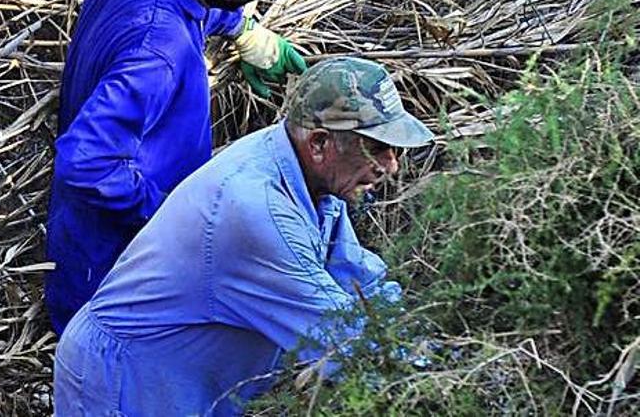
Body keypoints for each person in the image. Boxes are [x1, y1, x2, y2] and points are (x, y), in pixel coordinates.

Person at [53, 58, 435, 416]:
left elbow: (356, 279)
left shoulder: (314, 181)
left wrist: (432, 340)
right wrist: (442, 378)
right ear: (319, 143)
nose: (391, 165)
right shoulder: (256, 210)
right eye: (378, 148)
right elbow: (342, 337)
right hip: (123, 382)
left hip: (179, 381)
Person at [45, 0, 308, 333]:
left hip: (92, 242)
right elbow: (85, 161)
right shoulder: (158, 52)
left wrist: (242, 30)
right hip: (117, 266)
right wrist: (171, 215)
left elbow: (188, 4)